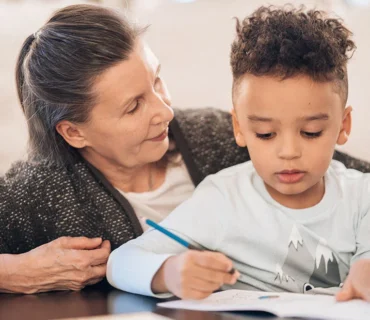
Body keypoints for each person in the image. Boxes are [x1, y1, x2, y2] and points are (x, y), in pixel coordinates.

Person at [0, 4, 368, 295]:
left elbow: (346, 174)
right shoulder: (37, 193)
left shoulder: (214, 136)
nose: (165, 111)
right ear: (74, 132)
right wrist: (14, 273)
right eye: (134, 106)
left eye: (157, 80)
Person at [107, 6, 370, 302]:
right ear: (239, 128)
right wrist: (168, 271)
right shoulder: (222, 200)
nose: (289, 152)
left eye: (311, 132)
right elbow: (122, 261)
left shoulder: (362, 197)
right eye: (265, 134)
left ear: (343, 126)